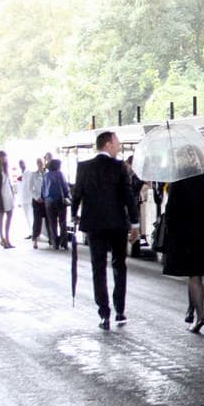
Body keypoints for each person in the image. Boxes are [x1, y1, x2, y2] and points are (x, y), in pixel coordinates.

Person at [71, 132, 141, 330]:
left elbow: (77, 194)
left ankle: (104, 313)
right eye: (117, 142)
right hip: (117, 223)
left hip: (94, 224)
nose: (119, 145)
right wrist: (135, 224)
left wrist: (74, 214)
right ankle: (120, 309)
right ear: (108, 145)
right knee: (119, 265)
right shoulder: (120, 167)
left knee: (98, 268)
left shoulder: (84, 167)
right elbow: (128, 197)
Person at [163, 150, 204, 334]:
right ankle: (193, 310)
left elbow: (170, 214)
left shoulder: (177, 184)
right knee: (196, 275)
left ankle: (200, 316)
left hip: (185, 237)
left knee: (193, 277)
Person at [42, 159, 70, 251]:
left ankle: (55, 244)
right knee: (62, 222)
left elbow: (43, 189)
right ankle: (64, 243)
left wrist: (44, 198)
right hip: (59, 200)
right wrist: (68, 197)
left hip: (48, 201)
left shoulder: (45, 175)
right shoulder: (59, 174)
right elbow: (64, 187)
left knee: (52, 222)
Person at [0, 151, 15, 248]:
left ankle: (7, 238)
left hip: (8, 193)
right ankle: (2, 238)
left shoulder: (6, 168)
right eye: (2, 157)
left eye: (5, 157)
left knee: (10, 215)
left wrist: (13, 192)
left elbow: (8, 181)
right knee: (1, 215)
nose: (3, 159)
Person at [26, 158, 46, 249]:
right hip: (37, 200)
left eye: (41, 163)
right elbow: (30, 188)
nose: (40, 164)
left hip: (46, 199)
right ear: (37, 164)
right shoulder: (33, 174)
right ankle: (35, 240)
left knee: (49, 220)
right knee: (37, 221)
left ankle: (52, 239)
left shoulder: (47, 173)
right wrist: (36, 197)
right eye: (38, 163)